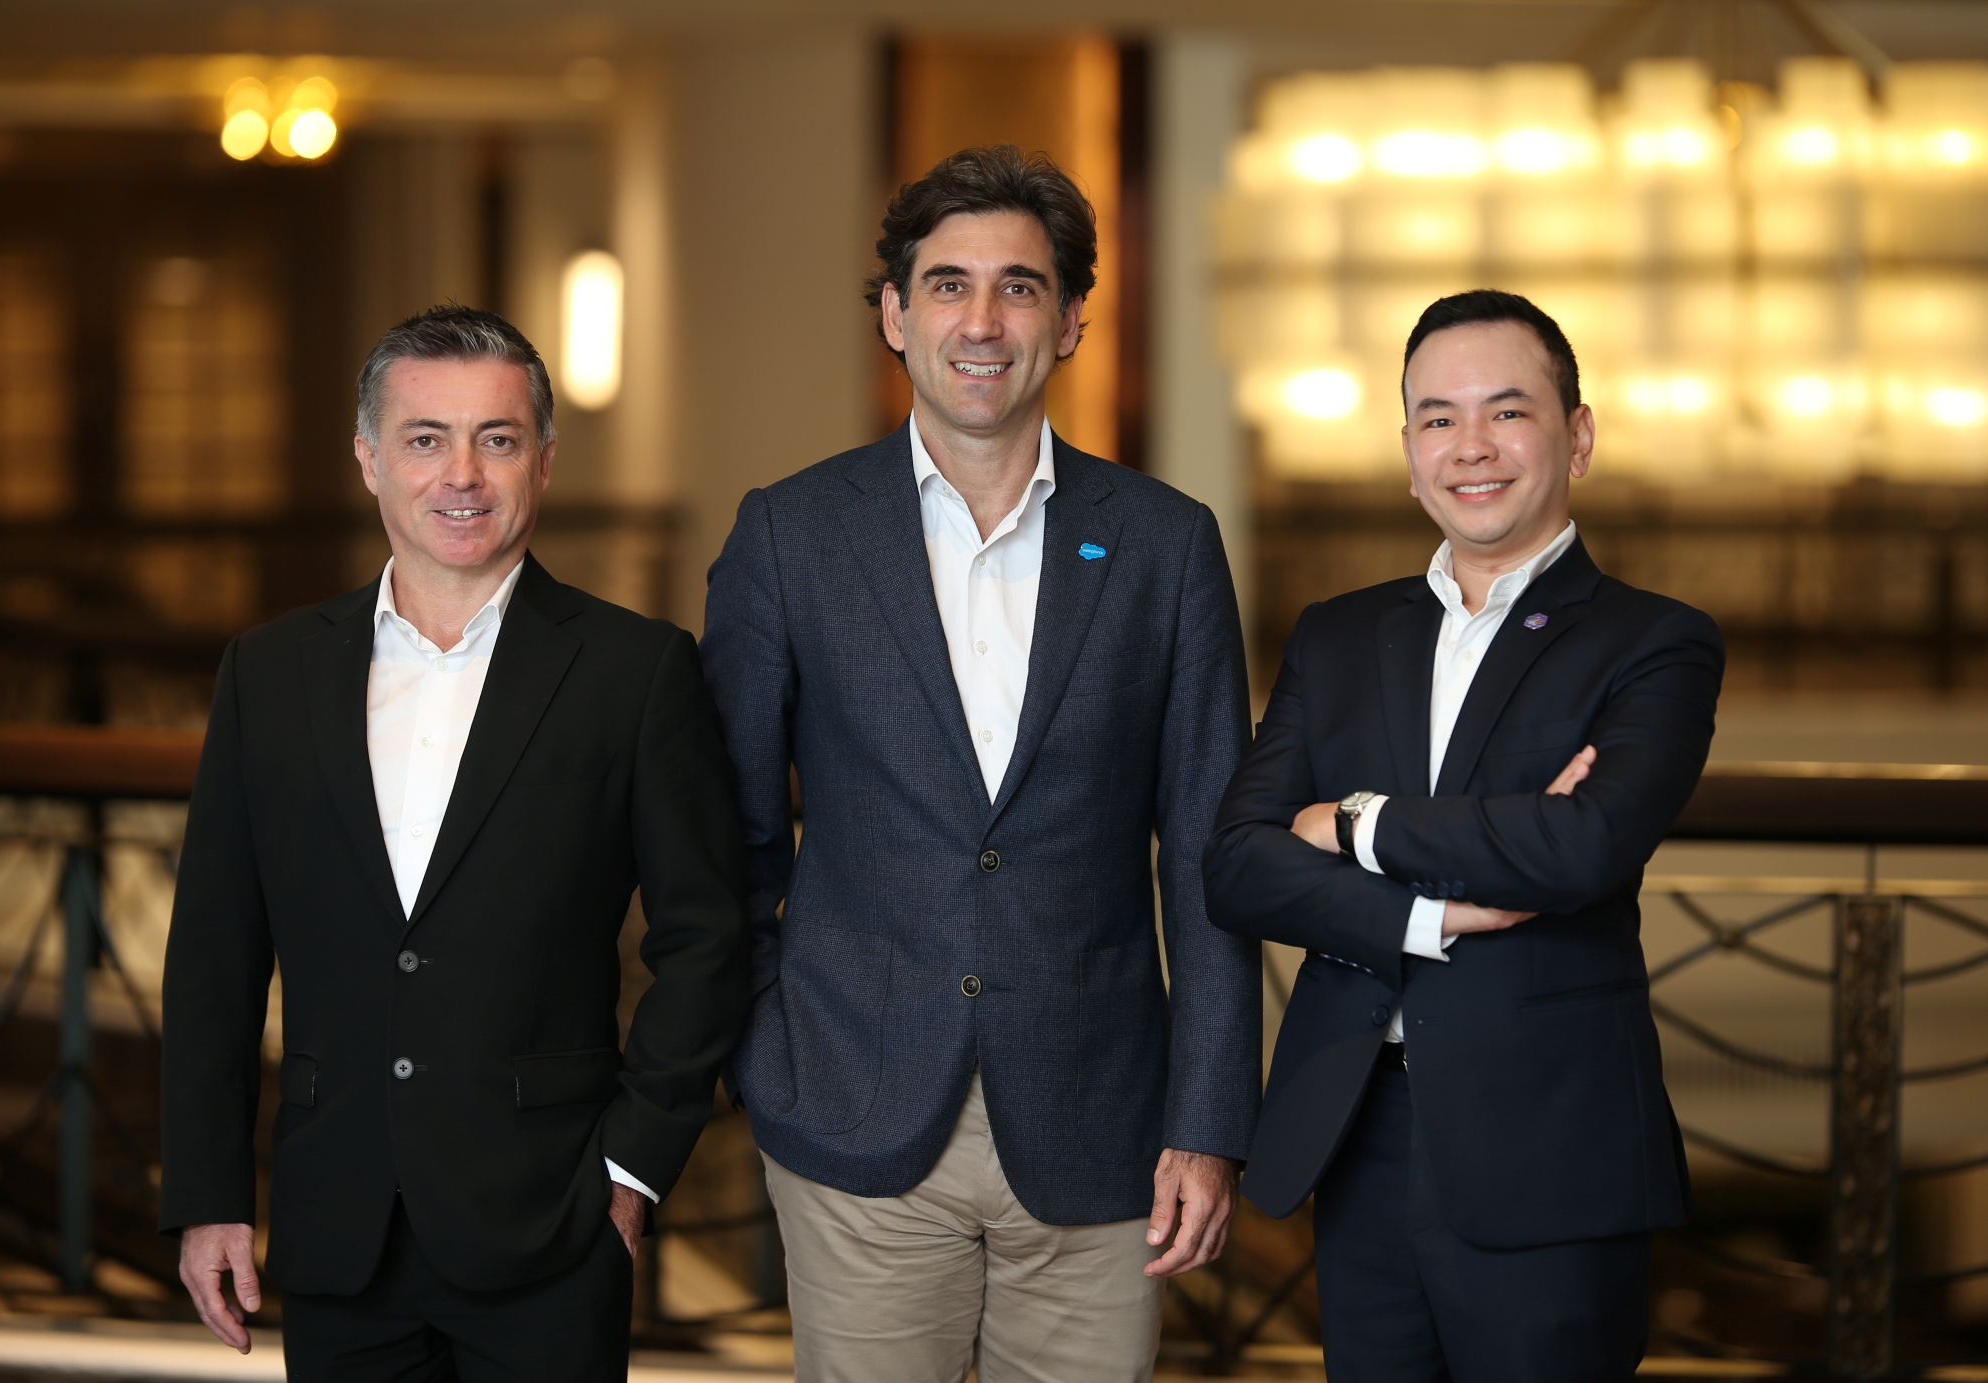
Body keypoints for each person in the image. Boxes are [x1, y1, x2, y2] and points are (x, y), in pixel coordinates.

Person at [700, 145, 1260, 1383]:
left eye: (1019, 286)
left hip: (1104, 1131)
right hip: (851, 1110)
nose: (982, 321)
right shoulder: (790, 535)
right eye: (947, 285)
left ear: (1071, 320)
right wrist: (766, 1057)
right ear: (894, 316)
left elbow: (1208, 860)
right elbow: (727, 837)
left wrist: (1210, 1120)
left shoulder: (1165, 545)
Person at [159, 306, 751, 1381]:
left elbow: (708, 937)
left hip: (554, 1222)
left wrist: (635, 1165)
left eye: (498, 438)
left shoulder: (637, 671)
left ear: (545, 460)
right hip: (338, 1222)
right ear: (368, 458)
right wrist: (207, 1195)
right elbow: (213, 959)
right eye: (425, 439)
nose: (462, 474)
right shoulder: (269, 673)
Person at [1203, 290, 1722, 1381]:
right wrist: (1429, 916)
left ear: (1577, 436)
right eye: (1438, 418)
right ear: (1408, 453)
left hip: (1549, 1149)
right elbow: (1239, 865)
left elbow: (1582, 846)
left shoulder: (1654, 642)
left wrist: (1353, 822)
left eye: (1507, 411)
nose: (1470, 446)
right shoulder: (1339, 635)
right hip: (1358, 1129)